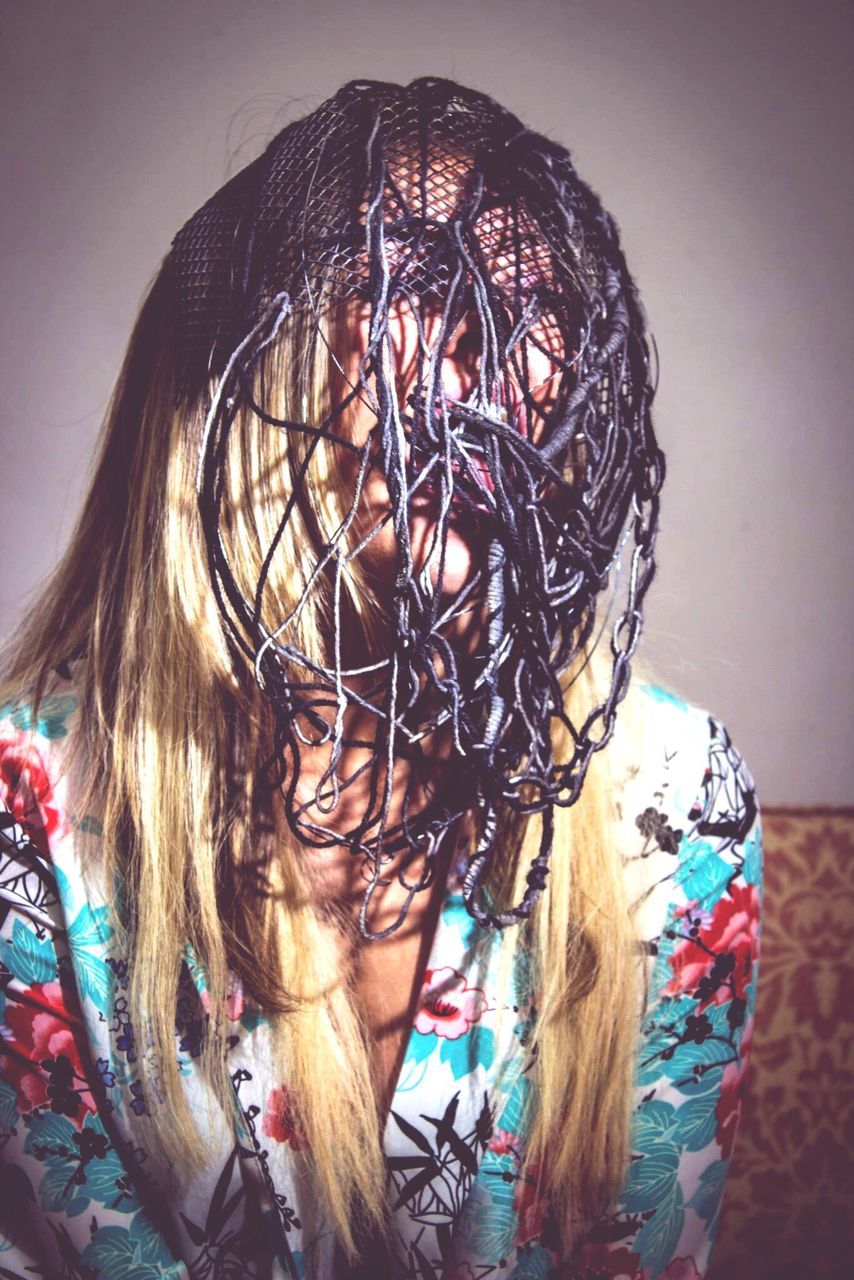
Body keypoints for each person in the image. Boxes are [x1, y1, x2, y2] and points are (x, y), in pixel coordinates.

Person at [0, 78, 762, 1279]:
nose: (494, 343)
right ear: (251, 360)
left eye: (540, 303)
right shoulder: (29, 807)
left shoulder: (672, 802)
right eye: (415, 278)